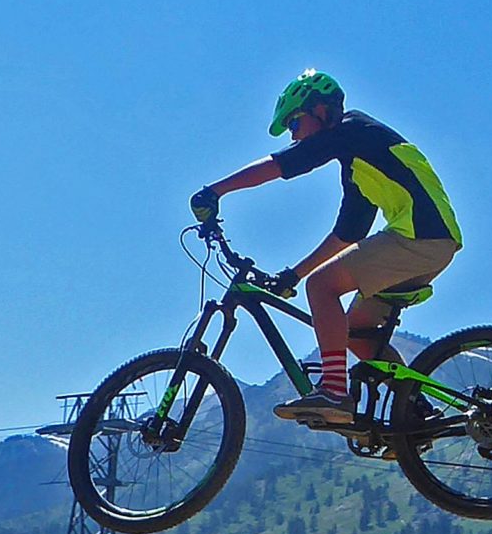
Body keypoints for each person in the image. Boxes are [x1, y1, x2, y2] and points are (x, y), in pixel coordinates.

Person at [190, 71, 462, 426]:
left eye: (294, 121)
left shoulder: (352, 130)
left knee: (322, 287)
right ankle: (417, 416)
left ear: (321, 110)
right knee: (356, 335)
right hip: (431, 243)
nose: (293, 132)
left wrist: (215, 191)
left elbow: (286, 163)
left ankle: (334, 390)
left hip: (420, 238)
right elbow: (348, 234)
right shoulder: (360, 158)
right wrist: (293, 275)